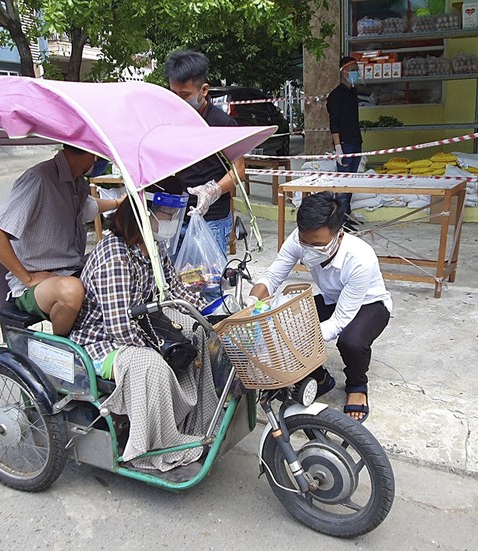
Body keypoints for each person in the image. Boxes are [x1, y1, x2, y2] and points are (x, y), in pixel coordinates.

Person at [70, 196, 218, 480]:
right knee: (151, 365)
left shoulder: (154, 246)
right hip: (102, 343)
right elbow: (120, 327)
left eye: (175, 214)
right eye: (167, 214)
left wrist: (208, 313)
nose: (172, 220)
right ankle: (150, 448)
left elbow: (174, 291)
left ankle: (193, 424)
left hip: (143, 327)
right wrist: (163, 350)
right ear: (143, 214)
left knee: (199, 334)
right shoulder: (114, 255)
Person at [248, 192, 392, 422]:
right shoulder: (299, 238)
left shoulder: (361, 259)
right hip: (331, 298)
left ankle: (357, 385)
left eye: (317, 244)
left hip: (369, 304)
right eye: (305, 242)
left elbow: (341, 320)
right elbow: (274, 274)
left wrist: (304, 338)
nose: (309, 249)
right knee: (283, 322)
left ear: (339, 234)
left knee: (351, 341)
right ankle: (321, 378)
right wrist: (252, 301)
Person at [0, 145, 124, 336]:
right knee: (71, 291)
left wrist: (117, 204)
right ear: (91, 153)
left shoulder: (77, 182)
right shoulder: (39, 179)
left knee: (117, 258)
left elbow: (88, 206)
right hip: (36, 283)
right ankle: (62, 349)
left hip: (72, 269)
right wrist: (29, 279)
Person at [156, 50, 245, 254]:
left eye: (185, 95)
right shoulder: (171, 122)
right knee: (178, 282)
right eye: (173, 94)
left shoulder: (222, 124)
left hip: (211, 219)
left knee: (209, 282)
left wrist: (212, 191)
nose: (178, 101)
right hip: (176, 216)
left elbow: (239, 171)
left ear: (203, 90)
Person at [326, 56, 363, 215]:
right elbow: (334, 123)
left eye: (357, 69)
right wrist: (338, 147)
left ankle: (346, 215)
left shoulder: (353, 92)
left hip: (356, 142)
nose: (356, 73)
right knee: (343, 184)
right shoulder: (336, 96)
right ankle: (340, 219)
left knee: (351, 182)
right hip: (345, 143)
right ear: (344, 72)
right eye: (353, 70)